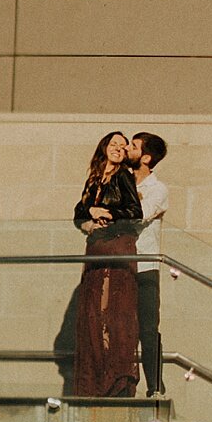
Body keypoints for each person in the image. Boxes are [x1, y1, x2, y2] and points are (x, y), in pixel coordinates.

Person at [63, 131, 142, 398]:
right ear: (104, 147)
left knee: (110, 312)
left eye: (123, 146)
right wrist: (89, 213)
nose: (119, 148)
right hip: (96, 248)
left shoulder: (123, 176)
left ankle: (114, 381)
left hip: (115, 246)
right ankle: (96, 380)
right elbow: (78, 211)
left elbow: (134, 212)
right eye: (114, 144)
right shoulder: (95, 178)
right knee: (94, 315)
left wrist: (108, 212)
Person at [129, 132, 169, 396]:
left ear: (146, 157)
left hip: (145, 266)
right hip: (119, 264)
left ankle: (154, 386)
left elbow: (138, 216)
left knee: (147, 328)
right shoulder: (118, 181)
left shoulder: (158, 189)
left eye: (133, 146)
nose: (127, 149)